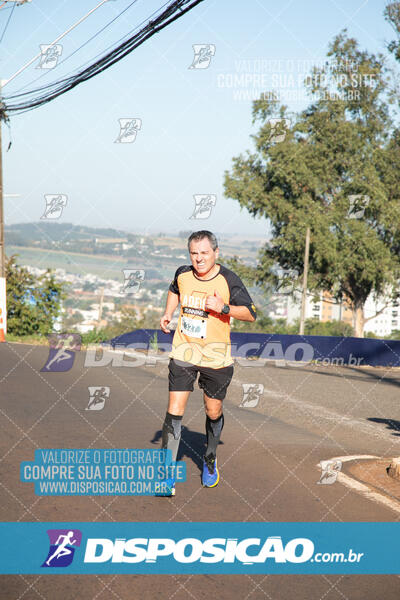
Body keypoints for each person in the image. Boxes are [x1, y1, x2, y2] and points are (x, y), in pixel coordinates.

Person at [158, 230, 257, 496]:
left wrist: (222, 307)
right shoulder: (183, 273)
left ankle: (210, 458)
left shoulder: (228, 279)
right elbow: (174, 290)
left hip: (216, 358)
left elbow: (251, 313)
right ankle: (166, 472)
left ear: (215, 252)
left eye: (204, 253)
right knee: (174, 411)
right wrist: (168, 313)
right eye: (194, 253)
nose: (199, 258)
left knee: (213, 411)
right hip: (184, 353)